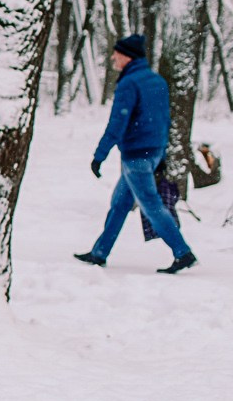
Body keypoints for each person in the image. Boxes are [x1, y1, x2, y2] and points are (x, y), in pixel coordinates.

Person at [76, 34, 196, 274]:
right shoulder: (157, 81)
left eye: (116, 53)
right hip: (151, 152)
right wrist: (160, 155)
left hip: (136, 156)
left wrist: (99, 155)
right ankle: (100, 252)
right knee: (120, 203)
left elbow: (116, 124)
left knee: (152, 206)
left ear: (127, 56)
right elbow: (165, 120)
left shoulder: (129, 84)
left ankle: (183, 253)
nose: (113, 57)